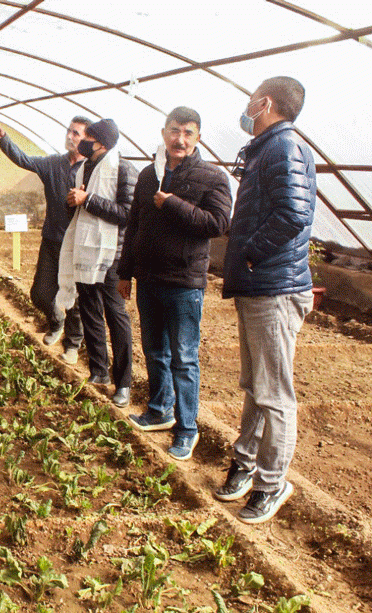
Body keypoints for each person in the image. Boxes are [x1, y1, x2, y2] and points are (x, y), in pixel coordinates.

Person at [216, 76, 316, 524]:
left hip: (274, 287)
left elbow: (294, 213)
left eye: (251, 98)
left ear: (266, 102)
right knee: (256, 386)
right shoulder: (265, 150)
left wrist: (252, 252)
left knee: (274, 394)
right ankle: (246, 463)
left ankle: (272, 484)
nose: (246, 105)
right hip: (259, 286)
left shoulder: (283, 148)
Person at [117, 107, 232, 461]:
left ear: (198, 138)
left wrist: (174, 204)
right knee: (155, 351)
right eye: (174, 131)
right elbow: (134, 224)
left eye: (188, 132)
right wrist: (125, 271)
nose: (179, 139)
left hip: (184, 282)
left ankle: (187, 430)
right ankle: (159, 410)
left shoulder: (212, 177)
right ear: (164, 132)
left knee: (184, 358)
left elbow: (218, 224)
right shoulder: (150, 174)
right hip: (149, 278)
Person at [0, 118, 90, 363]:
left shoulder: (91, 169)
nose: (70, 136)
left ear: (86, 139)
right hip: (52, 239)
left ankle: (73, 345)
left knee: (74, 297)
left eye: (76, 133)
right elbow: (24, 159)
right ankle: (56, 321)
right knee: (39, 293)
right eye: (69, 131)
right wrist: (4, 140)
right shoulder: (52, 163)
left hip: (76, 243)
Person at [56, 118, 137, 406]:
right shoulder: (85, 168)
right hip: (86, 252)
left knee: (116, 315)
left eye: (87, 137)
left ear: (101, 142)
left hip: (112, 256)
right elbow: (81, 208)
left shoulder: (123, 170)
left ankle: (123, 382)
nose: (81, 141)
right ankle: (99, 371)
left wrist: (87, 200)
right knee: (89, 310)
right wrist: (73, 202)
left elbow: (127, 214)